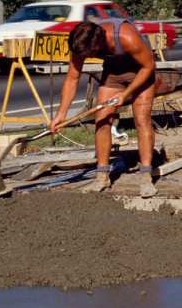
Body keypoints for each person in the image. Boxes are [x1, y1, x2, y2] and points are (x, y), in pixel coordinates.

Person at [51, 18, 162, 197]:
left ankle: (146, 177)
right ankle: (102, 177)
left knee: (141, 121)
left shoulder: (126, 36)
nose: (85, 57)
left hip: (141, 73)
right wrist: (61, 114)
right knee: (102, 121)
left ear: (99, 45)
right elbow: (72, 78)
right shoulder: (81, 43)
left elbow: (149, 66)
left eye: (89, 54)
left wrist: (125, 95)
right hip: (113, 75)